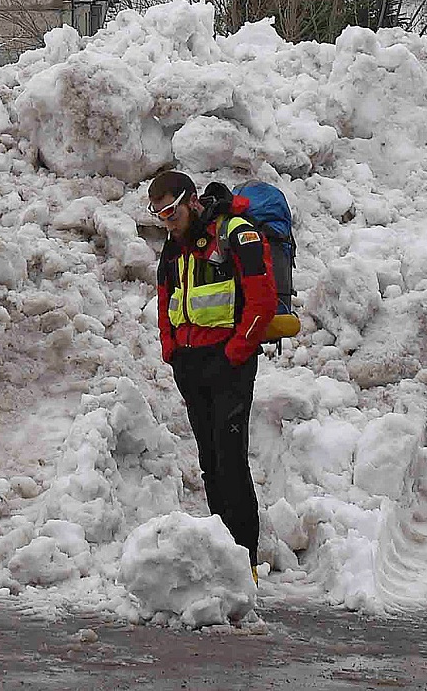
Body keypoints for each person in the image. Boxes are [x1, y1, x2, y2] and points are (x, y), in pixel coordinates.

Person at [150, 170, 275, 565]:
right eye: (159, 216)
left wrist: (234, 353)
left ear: (192, 201)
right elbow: (165, 297)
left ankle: (245, 563)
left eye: (172, 212)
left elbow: (262, 301)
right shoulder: (174, 246)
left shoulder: (235, 233)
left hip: (228, 364)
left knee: (231, 461)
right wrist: (171, 350)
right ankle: (224, 559)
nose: (167, 222)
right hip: (190, 365)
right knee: (210, 465)